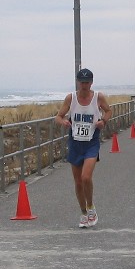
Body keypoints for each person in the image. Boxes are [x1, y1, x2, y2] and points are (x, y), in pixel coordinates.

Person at [55, 68, 112, 228]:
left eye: (87, 82)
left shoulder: (98, 97)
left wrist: (103, 122)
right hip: (75, 142)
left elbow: (108, 111)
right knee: (78, 182)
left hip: (91, 143)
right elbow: (58, 117)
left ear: (91, 82)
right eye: (82, 82)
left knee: (86, 177)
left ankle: (91, 208)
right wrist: (64, 122)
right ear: (78, 82)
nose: (84, 85)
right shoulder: (71, 98)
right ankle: (83, 213)